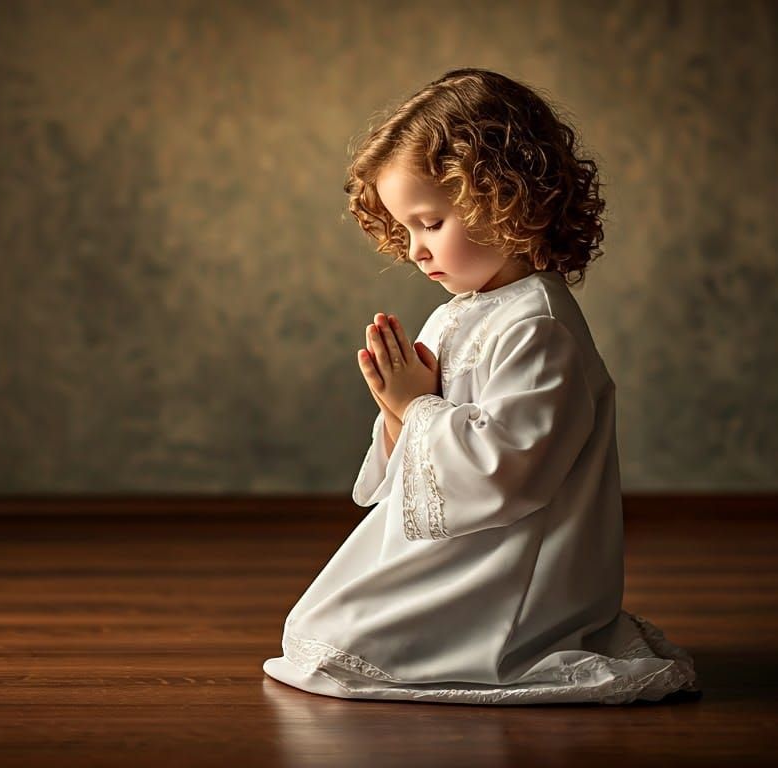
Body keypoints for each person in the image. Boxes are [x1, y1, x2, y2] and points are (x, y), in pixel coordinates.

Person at [262, 68, 699, 705]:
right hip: (468, 540)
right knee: (319, 630)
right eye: (404, 229)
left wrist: (417, 406)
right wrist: (396, 414)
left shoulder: (538, 325)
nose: (414, 250)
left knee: (345, 644)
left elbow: (510, 468)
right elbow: (415, 460)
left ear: (504, 199)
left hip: (516, 558)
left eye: (430, 222)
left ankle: (507, 637)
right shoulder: (460, 310)